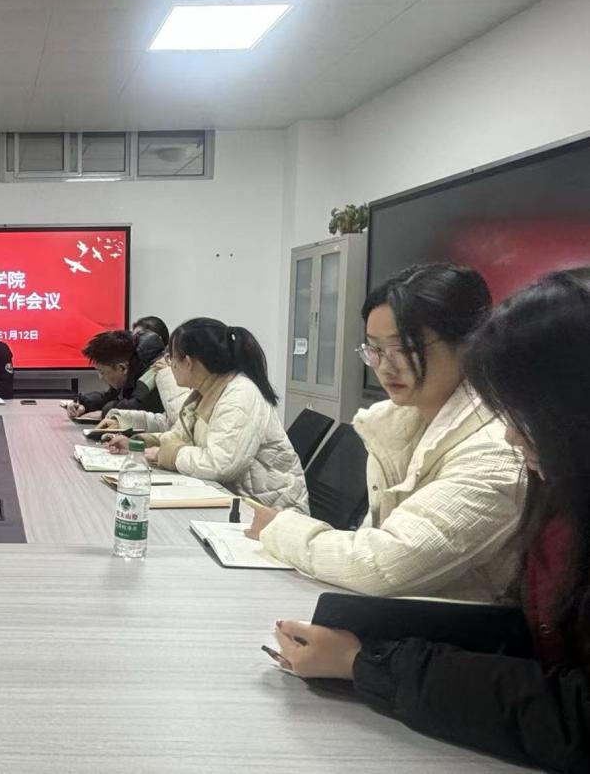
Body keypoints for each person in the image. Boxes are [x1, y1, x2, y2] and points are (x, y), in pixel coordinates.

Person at [267, 269, 590, 772]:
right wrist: (374, 652)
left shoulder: (503, 458)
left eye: (405, 348)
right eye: (375, 350)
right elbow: (534, 638)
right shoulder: (557, 486)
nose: (510, 435)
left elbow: (575, 716)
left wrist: (366, 663)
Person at [250, 264, 525, 600]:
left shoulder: (499, 450)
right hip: (398, 615)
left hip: (453, 627)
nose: (385, 366)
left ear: (471, 344)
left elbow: (382, 566)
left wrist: (280, 530)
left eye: (405, 349)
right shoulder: (400, 423)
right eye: (375, 350)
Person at [107, 318, 308, 512]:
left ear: (188, 362)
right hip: (234, 502)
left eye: (171, 357)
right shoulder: (204, 391)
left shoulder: (240, 394)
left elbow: (221, 464)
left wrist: (168, 455)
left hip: (273, 513)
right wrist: (140, 445)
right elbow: (179, 437)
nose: (169, 364)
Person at [66, 329, 164, 419]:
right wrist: (84, 404)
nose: (100, 377)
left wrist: (105, 413)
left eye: (102, 372)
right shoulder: (135, 367)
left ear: (122, 368)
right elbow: (109, 397)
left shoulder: (154, 373)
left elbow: (137, 407)